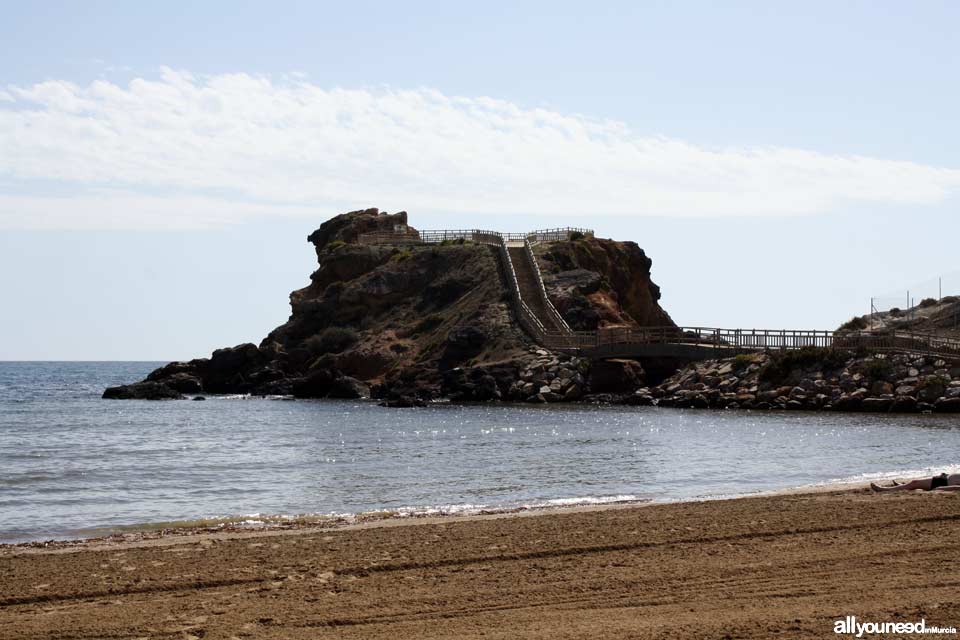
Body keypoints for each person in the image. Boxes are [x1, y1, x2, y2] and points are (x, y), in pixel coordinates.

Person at [871, 472, 960, 492]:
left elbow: (957, 487)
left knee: (914, 483)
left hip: (943, 483)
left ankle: (883, 489)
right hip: (944, 479)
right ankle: (903, 486)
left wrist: (941, 488)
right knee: (914, 484)